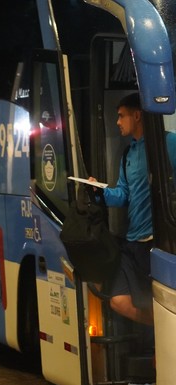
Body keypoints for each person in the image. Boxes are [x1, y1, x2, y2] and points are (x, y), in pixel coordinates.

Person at [89, 93, 176, 325]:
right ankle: (160, 329)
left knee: (159, 302)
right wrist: (99, 192)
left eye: (121, 116)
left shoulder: (169, 143)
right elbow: (123, 195)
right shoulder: (128, 153)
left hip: (156, 244)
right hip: (132, 243)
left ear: (137, 115)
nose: (117, 122)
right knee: (117, 300)